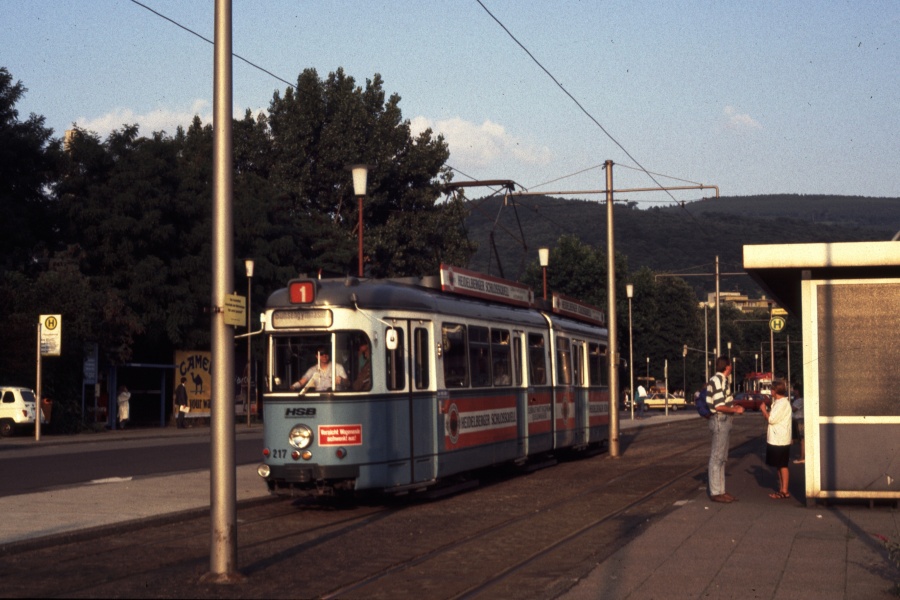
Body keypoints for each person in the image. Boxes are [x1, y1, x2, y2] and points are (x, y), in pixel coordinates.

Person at [706, 356, 745, 503]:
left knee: (722, 457)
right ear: (727, 366)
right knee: (717, 456)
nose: (732, 368)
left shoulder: (723, 380)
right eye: (730, 365)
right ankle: (716, 492)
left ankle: (721, 490)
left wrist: (734, 408)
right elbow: (718, 405)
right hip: (720, 419)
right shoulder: (717, 380)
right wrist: (735, 408)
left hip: (725, 420)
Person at [761, 379, 792, 499]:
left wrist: (764, 410)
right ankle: (781, 490)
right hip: (776, 439)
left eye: (771, 389)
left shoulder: (782, 404)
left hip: (780, 440)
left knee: (782, 465)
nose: (770, 391)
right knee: (779, 465)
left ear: (775, 390)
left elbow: (771, 419)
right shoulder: (779, 402)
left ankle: (784, 491)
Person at [791, 382, 805, 464]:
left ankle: (802, 457)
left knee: (801, 440)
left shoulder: (800, 400)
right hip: (798, 420)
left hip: (800, 420)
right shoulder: (798, 400)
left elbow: (793, 409)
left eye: (795, 390)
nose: (794, 392)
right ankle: (802, 456)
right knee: (800, 439)